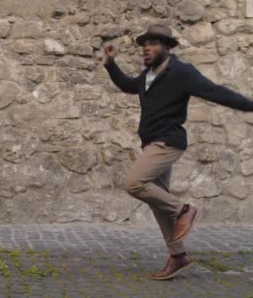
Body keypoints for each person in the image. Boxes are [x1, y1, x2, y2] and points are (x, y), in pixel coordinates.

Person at [103, 24, 253, 280]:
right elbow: (128, 85)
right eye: (144, 45)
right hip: (151, 142)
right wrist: (110, 63)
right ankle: (178, 256)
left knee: (134, 183)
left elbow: (215, 92)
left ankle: (184, 210)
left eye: (152, 44)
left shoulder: (181, 72)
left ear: (167, 47)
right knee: (158, 203)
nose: (146, 49)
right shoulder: (147, 75)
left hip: (168, 142)